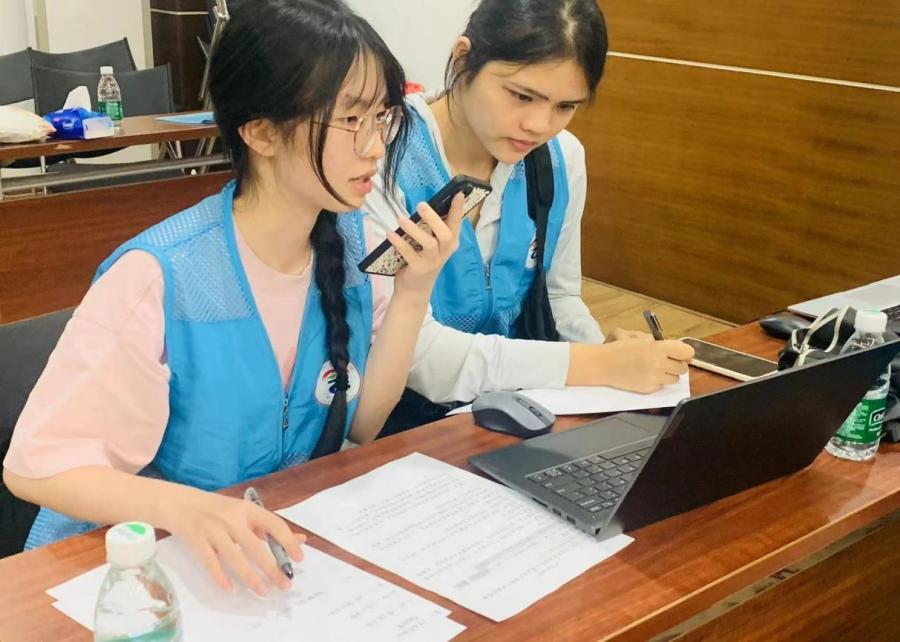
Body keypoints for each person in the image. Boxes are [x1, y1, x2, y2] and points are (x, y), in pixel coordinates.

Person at [3, 0, 462, 596]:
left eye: (382, 117)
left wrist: (413, 292)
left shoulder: (351, 246)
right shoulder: (160, 276)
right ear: (260, 131)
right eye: (351, 119)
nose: (375, 147)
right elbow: (35, 468)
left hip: (252, 558)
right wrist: (188, 509)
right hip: (120, 577)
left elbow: (366, 422)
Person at [364, 0, 695, 432]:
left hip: (508, 413)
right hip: (393, 426)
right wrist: (594, 363)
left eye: (565, 106)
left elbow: (558, 297)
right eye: (522, 96)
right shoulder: (376, 156)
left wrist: (608, 353)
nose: (539, 125)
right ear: (462, 60)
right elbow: (418, 357)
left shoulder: (559, 160)